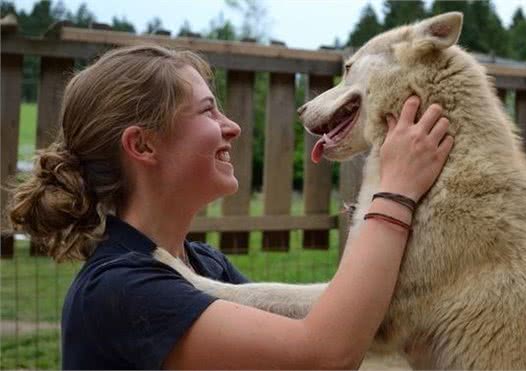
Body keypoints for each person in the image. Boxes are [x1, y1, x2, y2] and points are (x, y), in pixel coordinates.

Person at [6, 44, 453, 369]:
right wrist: (393, 192)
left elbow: (343, 324)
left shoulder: (204, 265)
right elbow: (324, 354)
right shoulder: (119, 289)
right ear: (142, 144)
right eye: (207, 112)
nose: (233, 126)